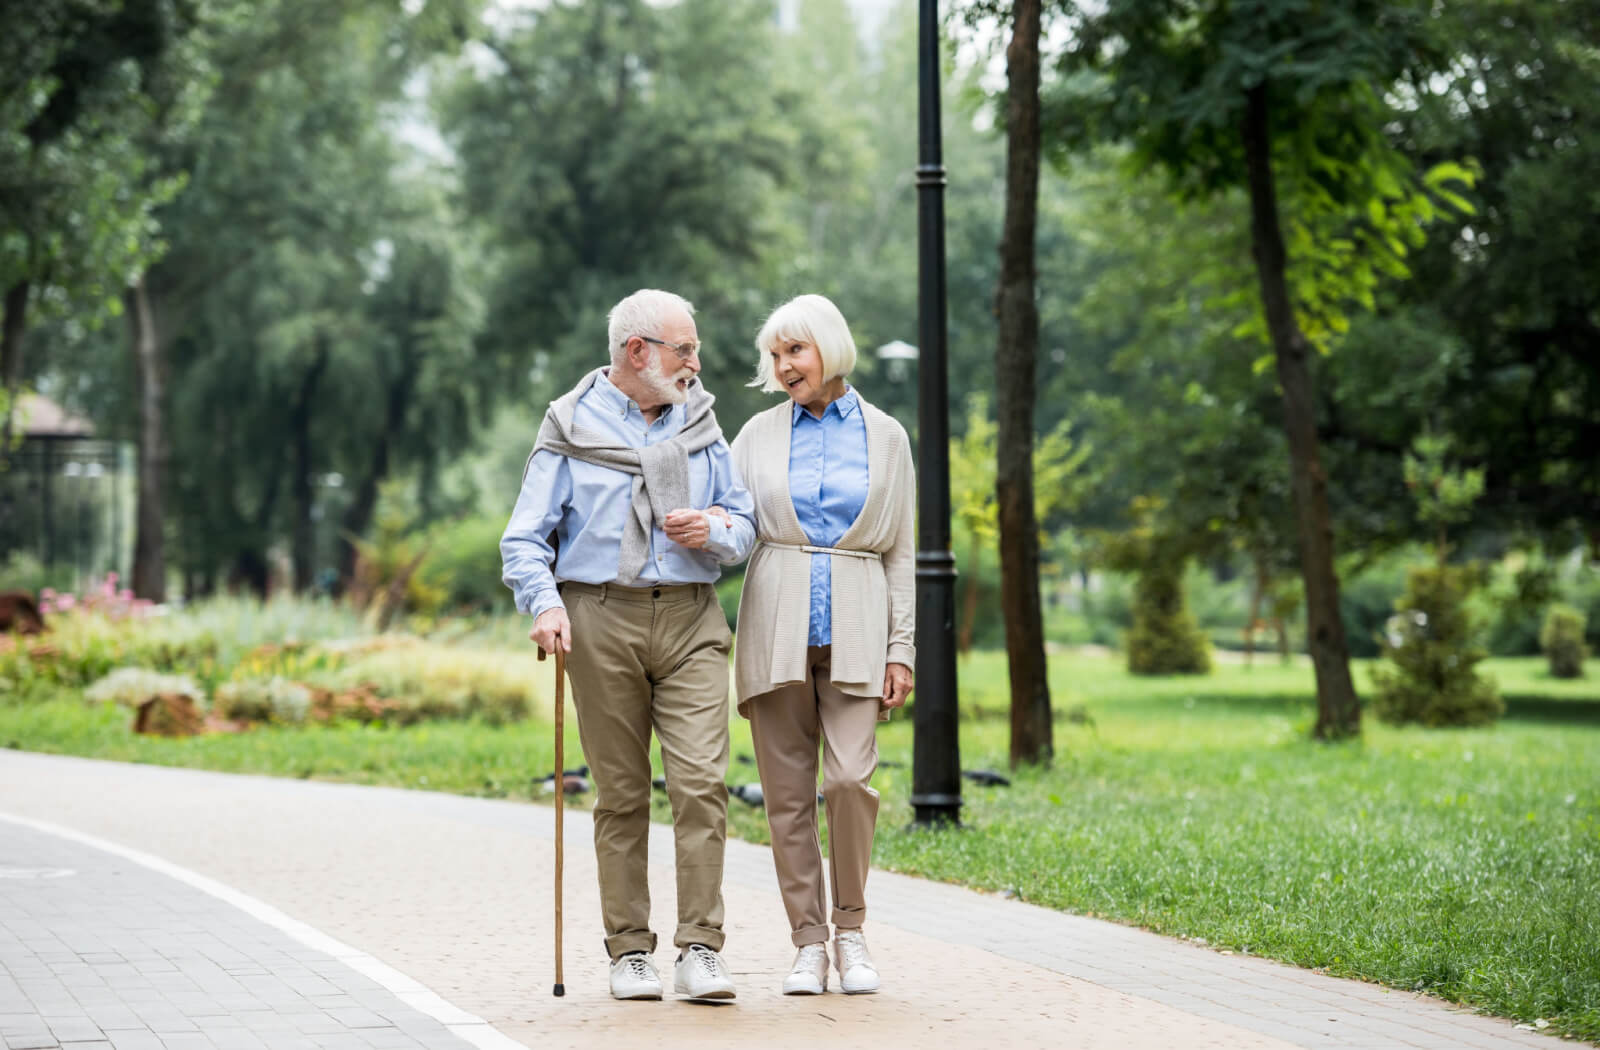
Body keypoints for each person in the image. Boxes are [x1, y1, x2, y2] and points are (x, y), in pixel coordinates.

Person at [500, 288, 757, 1002]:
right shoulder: (569, 424)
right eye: (685, 350)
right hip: (600, 617)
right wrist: (546, 604)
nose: (696, 364)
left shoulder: (702, 421)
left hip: (691, 616)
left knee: (702, 784)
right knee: (620, 794)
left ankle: (701, 947)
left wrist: (718, 531)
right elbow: (524, 538)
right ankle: (629, 951)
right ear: (637, 352)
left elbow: (742, 518)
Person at [729, 294, 915, 996]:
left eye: (794, 353)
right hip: (774, 621)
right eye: (774, 357)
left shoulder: (888, 437)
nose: (782, 368)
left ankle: (853, 931)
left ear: (829, 350)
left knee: (846, 782)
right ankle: (807, 943)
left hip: (862, 624)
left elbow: (901, 549)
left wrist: (904, 650)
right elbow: (736, 527)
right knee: (784, 795)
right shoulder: (755, 436)